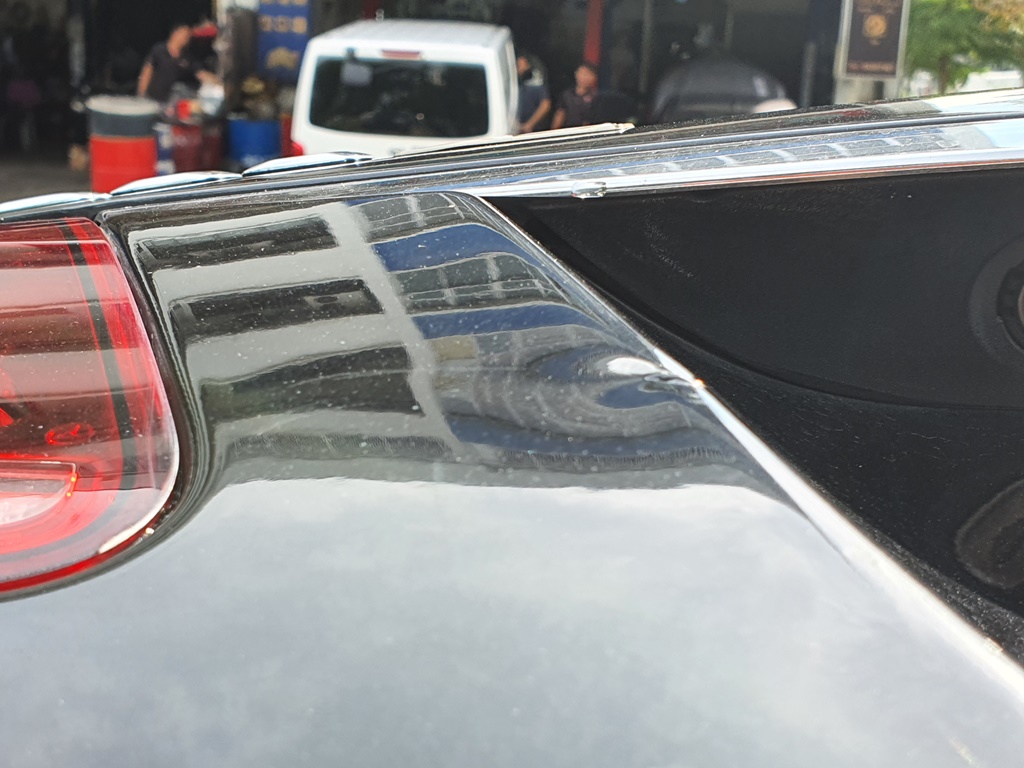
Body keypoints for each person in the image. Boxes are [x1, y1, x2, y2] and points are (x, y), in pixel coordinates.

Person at [137, 23, 216, 103]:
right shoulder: (159, 50)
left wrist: (216, 81)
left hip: (172, 102)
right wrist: (141, 94)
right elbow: (147, 72)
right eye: (183, 36)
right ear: (175, 34)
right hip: (153, 100)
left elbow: (201, 73)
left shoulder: (188, 58)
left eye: (187, 37)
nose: (185, 39)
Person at [551, 61, 598, 130]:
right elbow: (560, 114)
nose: (584, 77)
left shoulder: (596, 97)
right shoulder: (566, 95)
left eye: (587, 74)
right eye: (582, 73)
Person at [516, 54, 550, 133]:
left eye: (521, 65)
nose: (519, 68)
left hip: (535, 131)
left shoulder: (537, 84)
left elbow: (545, 105)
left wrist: (529, 124)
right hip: (516, 130)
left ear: (528, 66)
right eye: (518, 65)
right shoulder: (513, 85)